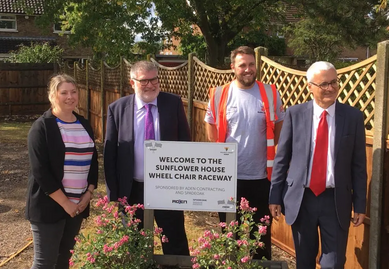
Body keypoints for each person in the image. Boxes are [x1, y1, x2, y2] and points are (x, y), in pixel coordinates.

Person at [269, 61, 367, 269]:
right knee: (304, 261)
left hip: (336, 200)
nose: (330, 88)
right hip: (302, 199)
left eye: (334, 82)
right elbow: (282, 159)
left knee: (334, 262)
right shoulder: (295, 114)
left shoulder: (353, 117)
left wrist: (359, 205)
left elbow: (359, 166)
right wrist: (275, 196)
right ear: (310, 86)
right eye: (323, 84)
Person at [204, 46, 285, 260]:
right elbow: (211, 126)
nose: (248, 69)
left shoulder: (270, 92)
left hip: (261, 177)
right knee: (230, 234)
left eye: (251, 64)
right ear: (233, 67)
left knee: (261, 235)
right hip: (229, 178)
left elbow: (278, 129)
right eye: (242, 65)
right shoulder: (219, 93)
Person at [104, 60, 190, 255]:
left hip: (168, 187)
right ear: (132, 82)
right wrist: (114, 193)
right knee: (134, 243)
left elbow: (185, 143)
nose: (150, 85)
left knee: (174, 239)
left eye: (154, 80)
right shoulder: (117, 109)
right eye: (144, 81)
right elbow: (111, 154)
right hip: (132, 187)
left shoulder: (173, 103)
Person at [26, 74, 98, 269]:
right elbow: (41, 172)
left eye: (74, 92)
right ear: (53, 96)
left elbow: (93, 161)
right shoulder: (41, 128)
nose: (70, 97)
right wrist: (66, 203)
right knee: (45, 262)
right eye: (64, 92)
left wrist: (88, 194)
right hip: (49, 205)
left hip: (77, 206)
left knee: (64, 260)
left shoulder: (83, 124)